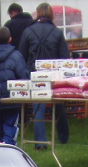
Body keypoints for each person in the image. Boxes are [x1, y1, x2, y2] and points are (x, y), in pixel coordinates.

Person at [19, 3, 70, 146]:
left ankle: (40, 142)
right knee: (59, 105)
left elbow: (22, 54)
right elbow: (65, 57)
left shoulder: (28, 31)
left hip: (34, 73)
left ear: (38, 13)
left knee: (38, 108)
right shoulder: (57, 32)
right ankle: (64, 138)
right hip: (54, 73)